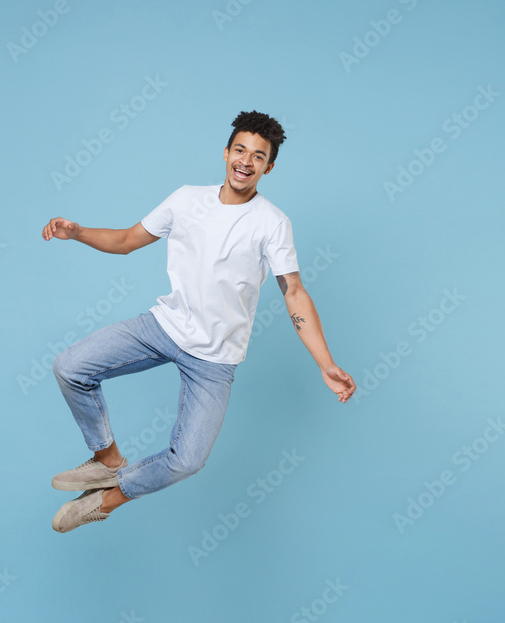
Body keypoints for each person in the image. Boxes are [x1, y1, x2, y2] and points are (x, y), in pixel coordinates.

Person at [41, 110, 355, 533]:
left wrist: (325, 363)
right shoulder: (186, 199)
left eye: (258, 156)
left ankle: (108, 498)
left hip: (215, 358)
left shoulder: (272, 223)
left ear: (269, 166)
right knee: (69, 367)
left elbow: (294, 292)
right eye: (240, 150)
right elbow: (127, 240)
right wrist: (76, 231)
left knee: (188, 461)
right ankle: (106, 459)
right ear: (226, 153)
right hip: (163, 328)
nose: (246, 161)